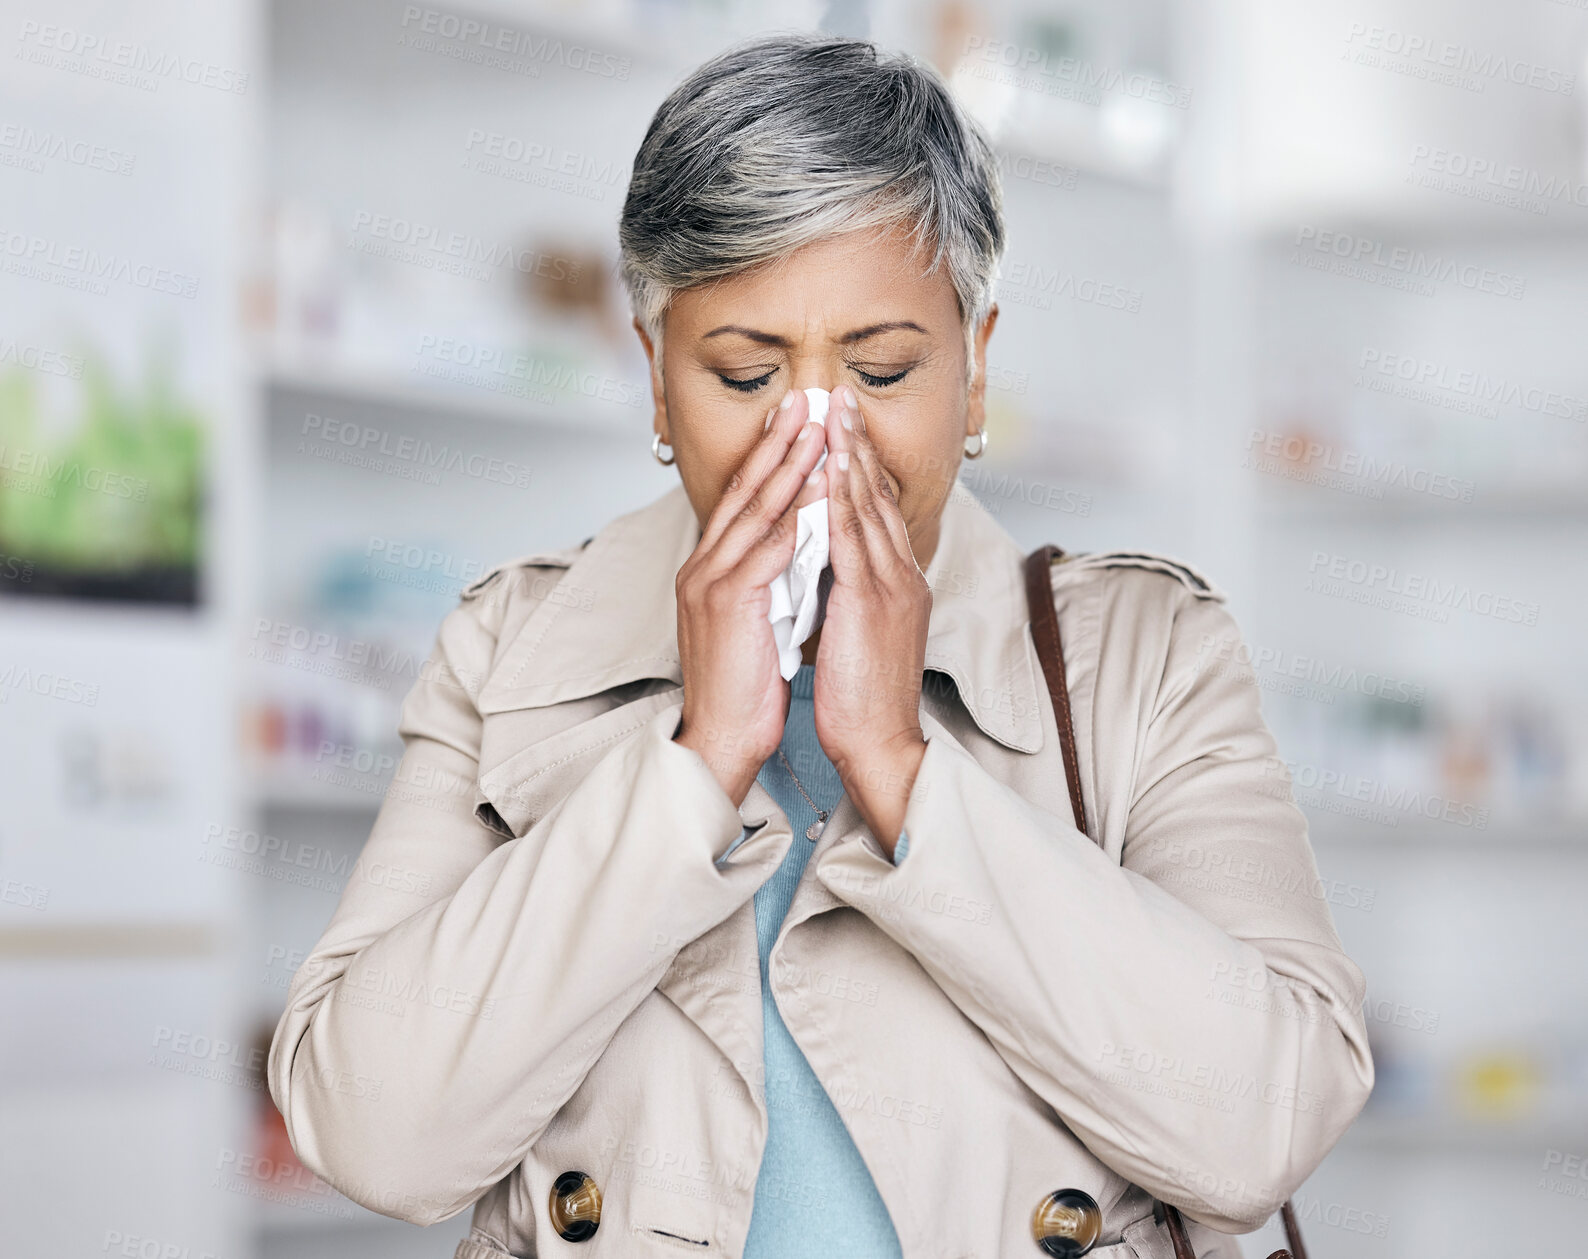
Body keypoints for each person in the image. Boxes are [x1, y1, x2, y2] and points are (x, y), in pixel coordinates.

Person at [268, 31, 1372, 1259]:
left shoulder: (1145, 656)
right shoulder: (514, 650)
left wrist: (901, 768)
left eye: (882, 369)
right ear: (653, 377)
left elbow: (1262, 1127)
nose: (815, 439)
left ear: (975, 369)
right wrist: (696, 763)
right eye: (745, 375)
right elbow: (375, 1135)